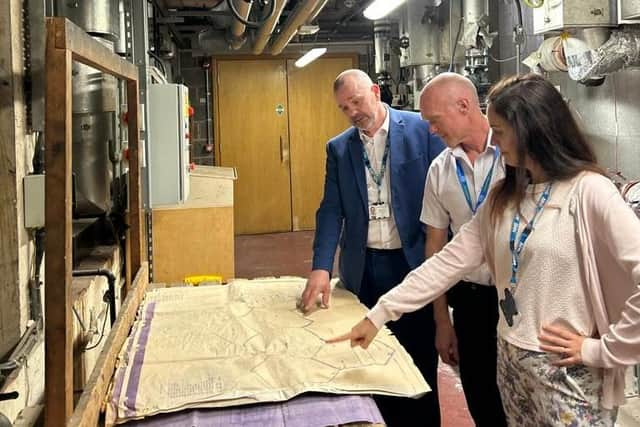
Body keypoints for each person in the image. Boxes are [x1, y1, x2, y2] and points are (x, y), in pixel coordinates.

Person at [329, 73, 640, 426]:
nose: (496, 141)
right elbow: (446, 262)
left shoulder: (589, 192)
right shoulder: (502, 198)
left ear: (533, 130)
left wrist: (604, 349)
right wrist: (380, 314)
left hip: (567, 375)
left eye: (502, 131)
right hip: (511, 366)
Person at [300, 69, 445, 426]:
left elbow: (446, 200)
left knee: (417, 360)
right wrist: (321, 267)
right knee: (369, 358)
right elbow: (331, 209)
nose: (352, 112)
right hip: (363, 269)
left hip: (411, 265)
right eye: (344, 107)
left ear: (376, 92)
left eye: (357, 101)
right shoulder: (339, 148)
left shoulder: (421, 131)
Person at [419, 73, 507, 426]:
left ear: (464, 106)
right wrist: (442, 320)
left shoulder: (514, 156)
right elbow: (435, 248)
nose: (431, 130)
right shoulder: (440, 170)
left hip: (520, 297)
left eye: (434, 121)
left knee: (522, 397)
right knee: (481, 396)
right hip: (470, 300)